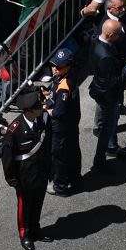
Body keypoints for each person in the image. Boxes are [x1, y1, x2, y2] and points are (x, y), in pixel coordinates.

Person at [2, 90, 52, 250]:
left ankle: (36, 229)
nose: (42, 108)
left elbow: (48, 144)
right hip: (25, 175)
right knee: (25, 207)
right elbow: (7, 157)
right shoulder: (15, 130)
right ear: (29, 111)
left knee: (38, 202)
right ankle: (25, 235)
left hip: (42, 170)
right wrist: (12, 179)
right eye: (38, 107)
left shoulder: (43, 119)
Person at [87, 19, 126, 174]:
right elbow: (115, 83)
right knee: (108, 127)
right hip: (108, 95)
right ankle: (100, 160)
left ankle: (112, 147)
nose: (119, 36)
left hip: (101, 89)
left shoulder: (96, 42)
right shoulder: (106, 57)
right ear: (110, 35)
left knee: (111, 122)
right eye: (117, 34)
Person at [44, 48, 81, 195]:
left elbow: (59, 112)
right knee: (72, 152)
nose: (54, 69)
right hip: (71, 124)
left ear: (68, 66)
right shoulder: (66, 77)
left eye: (58, 67)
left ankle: (60, 186)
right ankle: (75, 180)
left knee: (59, 155)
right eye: (53, 65)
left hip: (62, 127)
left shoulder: (65, 86)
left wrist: (46, 110)